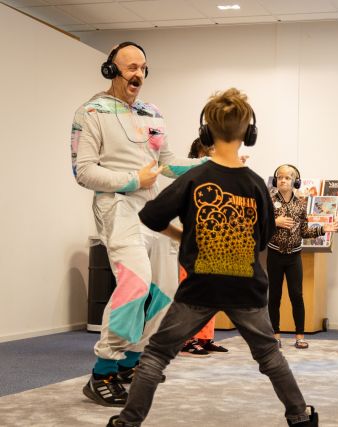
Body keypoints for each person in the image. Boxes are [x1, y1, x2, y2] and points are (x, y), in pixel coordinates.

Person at [106, 88, 318, 427]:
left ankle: (128, 421)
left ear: (205, 134)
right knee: (268, 355)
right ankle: (299, 417)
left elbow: (150, 216)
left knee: (157, 355)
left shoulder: (194, 177)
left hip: (200, 288)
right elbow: (262, 239)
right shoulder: (255, 185)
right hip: (246, 289)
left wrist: (185, 236)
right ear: (249, 134)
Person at [71, 41, 208, 406]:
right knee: (135, 283)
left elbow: (168, 162)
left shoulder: (152, 112)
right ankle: (102, 370)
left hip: (152, 209)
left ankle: (129, 363)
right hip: (116, 207)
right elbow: (83, 171)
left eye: (143, 68)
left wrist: (212, 165)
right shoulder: (91, 111)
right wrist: (133, 180)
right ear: (111, 70)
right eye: (131, 67)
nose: (138, 74)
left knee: (162, 291)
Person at [267, 164, 338, 349]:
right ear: (276, 180)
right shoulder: (268, 200)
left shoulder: (300, 204)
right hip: (274, 254)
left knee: (297, 295)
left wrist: (323, 228)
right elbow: (258, 225)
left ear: (295, 182)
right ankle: (275, 335)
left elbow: (304, 231)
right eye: (280, 177)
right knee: (274, 296)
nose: (283, 180)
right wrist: (274, 222)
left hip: (294, 257)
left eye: (287, 177)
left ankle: (300, 336)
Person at [177, 138, 230, 358]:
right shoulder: (188, 176)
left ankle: (205, 338)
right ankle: (186, 339)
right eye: (205, 153)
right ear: (196, 155)